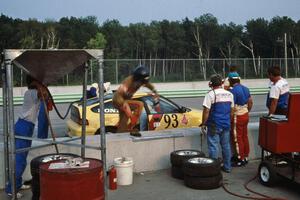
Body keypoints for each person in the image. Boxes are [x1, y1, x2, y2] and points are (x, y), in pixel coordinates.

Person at [5, 75, 49, 198]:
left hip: (26, 127)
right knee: (20, 160)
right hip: (24, 127)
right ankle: (11, 189)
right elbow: (44, 93)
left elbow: (45, 96)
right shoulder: (31, 92)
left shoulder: (32, 92)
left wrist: (40, 84)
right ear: (34, 82)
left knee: (21, 159)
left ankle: (17, 184)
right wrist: (40, 84)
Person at [200, 74, 234, 173]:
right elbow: (232, 110)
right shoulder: (229, 94)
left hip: (214, 125)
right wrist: (229, 121)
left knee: (213, 146)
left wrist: (203, 123)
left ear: (211, 84)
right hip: (226, 124)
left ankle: (213, 169)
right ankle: (227, 167)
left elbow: (206, 111)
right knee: (226, 146)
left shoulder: (210, 94)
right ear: (222, 83)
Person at [112, 65, 159, 133]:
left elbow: (149, 85)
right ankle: (132, 125)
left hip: (124, 101)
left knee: (123, 122)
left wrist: (154, 91)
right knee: (139, 104)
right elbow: (119, 94)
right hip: (119, 100)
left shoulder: (141, 80)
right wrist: (131, 115)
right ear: (137, 79)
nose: (141, 85)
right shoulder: (128, 81)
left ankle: (121, 131)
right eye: (141, 83)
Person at [228, 72, 253, 166]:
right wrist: (247, 111)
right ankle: (245, 156)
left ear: (231, 80)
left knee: (237, 138)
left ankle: (240, 158)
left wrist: (230, 119)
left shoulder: (233, 91)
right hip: (245, 114)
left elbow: (232, 108)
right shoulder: (246, 89)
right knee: (244, 136)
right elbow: (250, 102)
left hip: (237, 116)